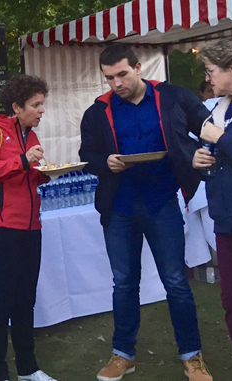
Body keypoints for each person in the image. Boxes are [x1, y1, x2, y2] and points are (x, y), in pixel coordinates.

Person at [78, 44, 213, 381]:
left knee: (176, 283)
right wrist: (104, 164)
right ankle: (123, 355)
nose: (116, 83)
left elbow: (208, 128)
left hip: (162, 202)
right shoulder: (97, 111)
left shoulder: (173, 97)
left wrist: (199, 153)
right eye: (109, 77)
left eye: (122, 74)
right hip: (119, 208)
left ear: (139, 68)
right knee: (123, 284)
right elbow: (87, 154)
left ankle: (192, 357)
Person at [0, 74, 54, 381]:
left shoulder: (30, 134)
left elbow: (27, 175)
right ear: (17, 107)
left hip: (32, 226)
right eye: (36, 105)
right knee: (3, 298)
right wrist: (22, 161)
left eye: (42, 104)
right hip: (0, 227)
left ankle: (28, 368)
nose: (41, 110)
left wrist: (45, 173)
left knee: (26, 298)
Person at [193, 37, 232, 356]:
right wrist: (198, 161)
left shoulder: (218, 122)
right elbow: (211, 156)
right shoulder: (218, 110)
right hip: (225, 218)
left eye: (211, 70)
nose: (208, 79)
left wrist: (219, 138)